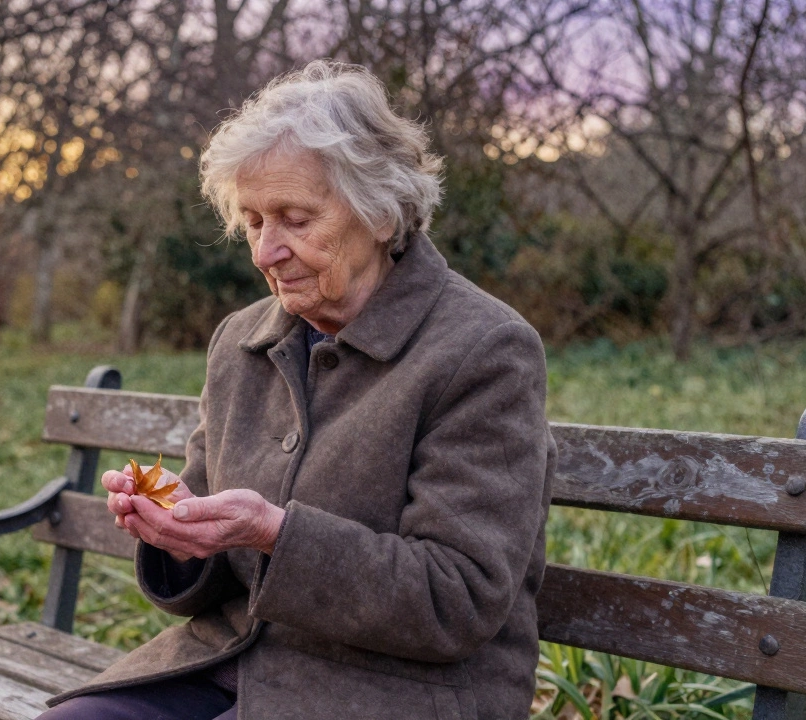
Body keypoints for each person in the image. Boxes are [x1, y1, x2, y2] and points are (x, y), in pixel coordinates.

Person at [38, 60, 555, 720]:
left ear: (380, 214)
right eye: (253, 221)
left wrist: (275, 534)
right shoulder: (241, 341)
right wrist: (179, 534)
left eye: (295, 219)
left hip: (398, 693)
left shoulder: (484, 350)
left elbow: (455, 599)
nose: (265, 252)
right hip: (232, 663)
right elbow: (210, 553)